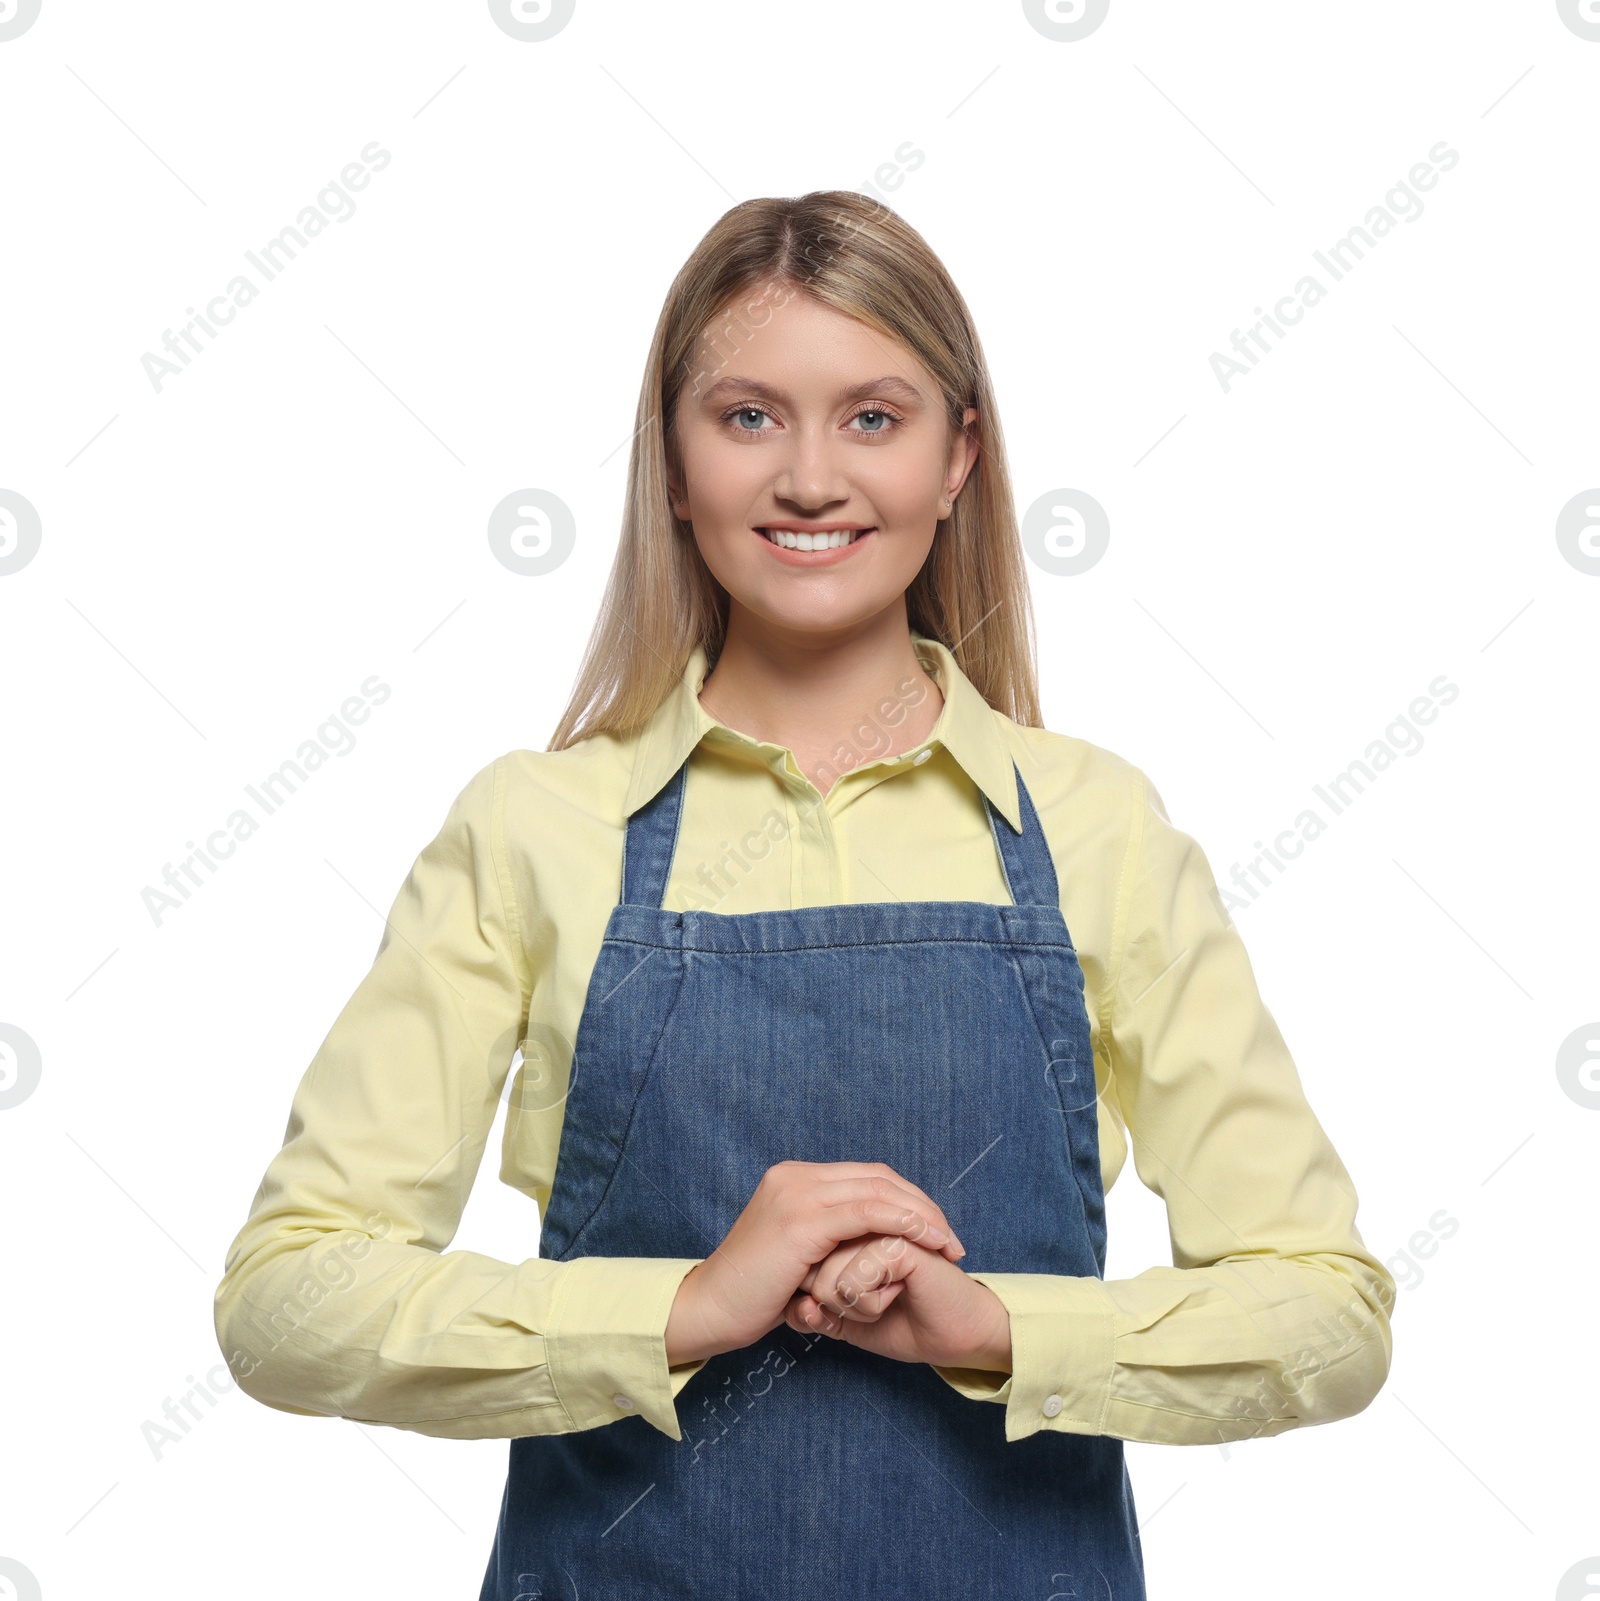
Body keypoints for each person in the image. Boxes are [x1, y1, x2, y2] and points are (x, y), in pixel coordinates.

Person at [213, 191, 1395, 1600]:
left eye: (876, 417)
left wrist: (993, 1326)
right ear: (671, 462)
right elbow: (286, 1299)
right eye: (751, 416)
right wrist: (684, 1306)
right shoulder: (536, 828)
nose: (813, 479)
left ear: (961, 458)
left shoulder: (1094, 828)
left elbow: (1329, 1308)